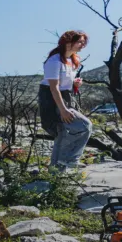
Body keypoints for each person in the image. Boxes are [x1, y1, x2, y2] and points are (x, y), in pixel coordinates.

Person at [39, 30, 91, 171]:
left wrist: (74, 84)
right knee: (85, 126)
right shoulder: (54, 61)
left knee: (62, 133)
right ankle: (71, 159)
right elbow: (53, 88)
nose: (83, 45)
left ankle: (55, 173)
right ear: (68, 42)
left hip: (66, 97)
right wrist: (62, 110)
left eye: (83, 42)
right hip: (52, 100)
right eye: (80, 42)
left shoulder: (72, 60)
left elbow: (64, 83)